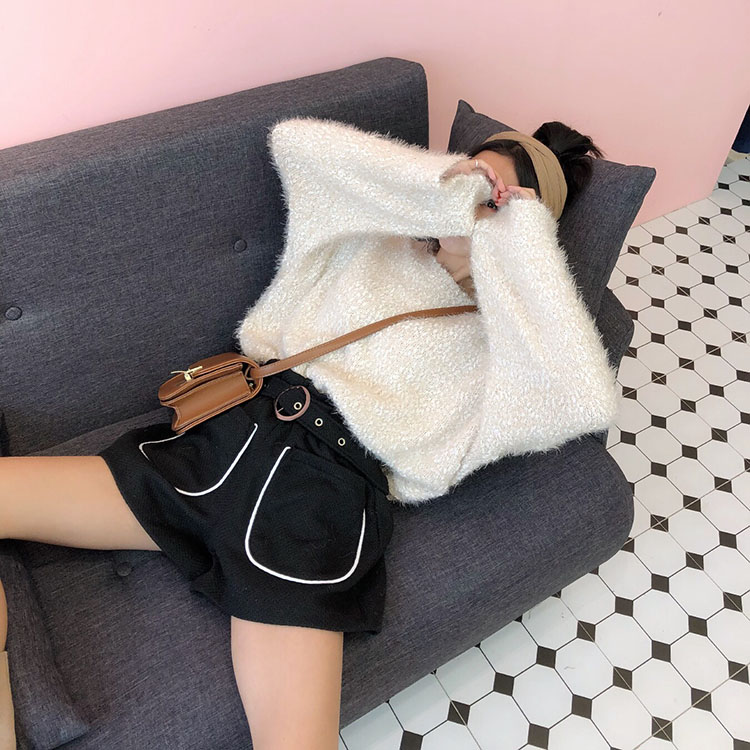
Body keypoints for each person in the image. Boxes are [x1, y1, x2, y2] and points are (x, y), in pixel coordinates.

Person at [0, 115, 612, 750]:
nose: (474, 201)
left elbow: (582, 400)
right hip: (224, 440)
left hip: (317, 500)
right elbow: (297, 143)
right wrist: (443, 181)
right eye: (472, 178)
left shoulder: (504, 347)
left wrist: (521, 233)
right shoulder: (368, 239)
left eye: (495, 200)